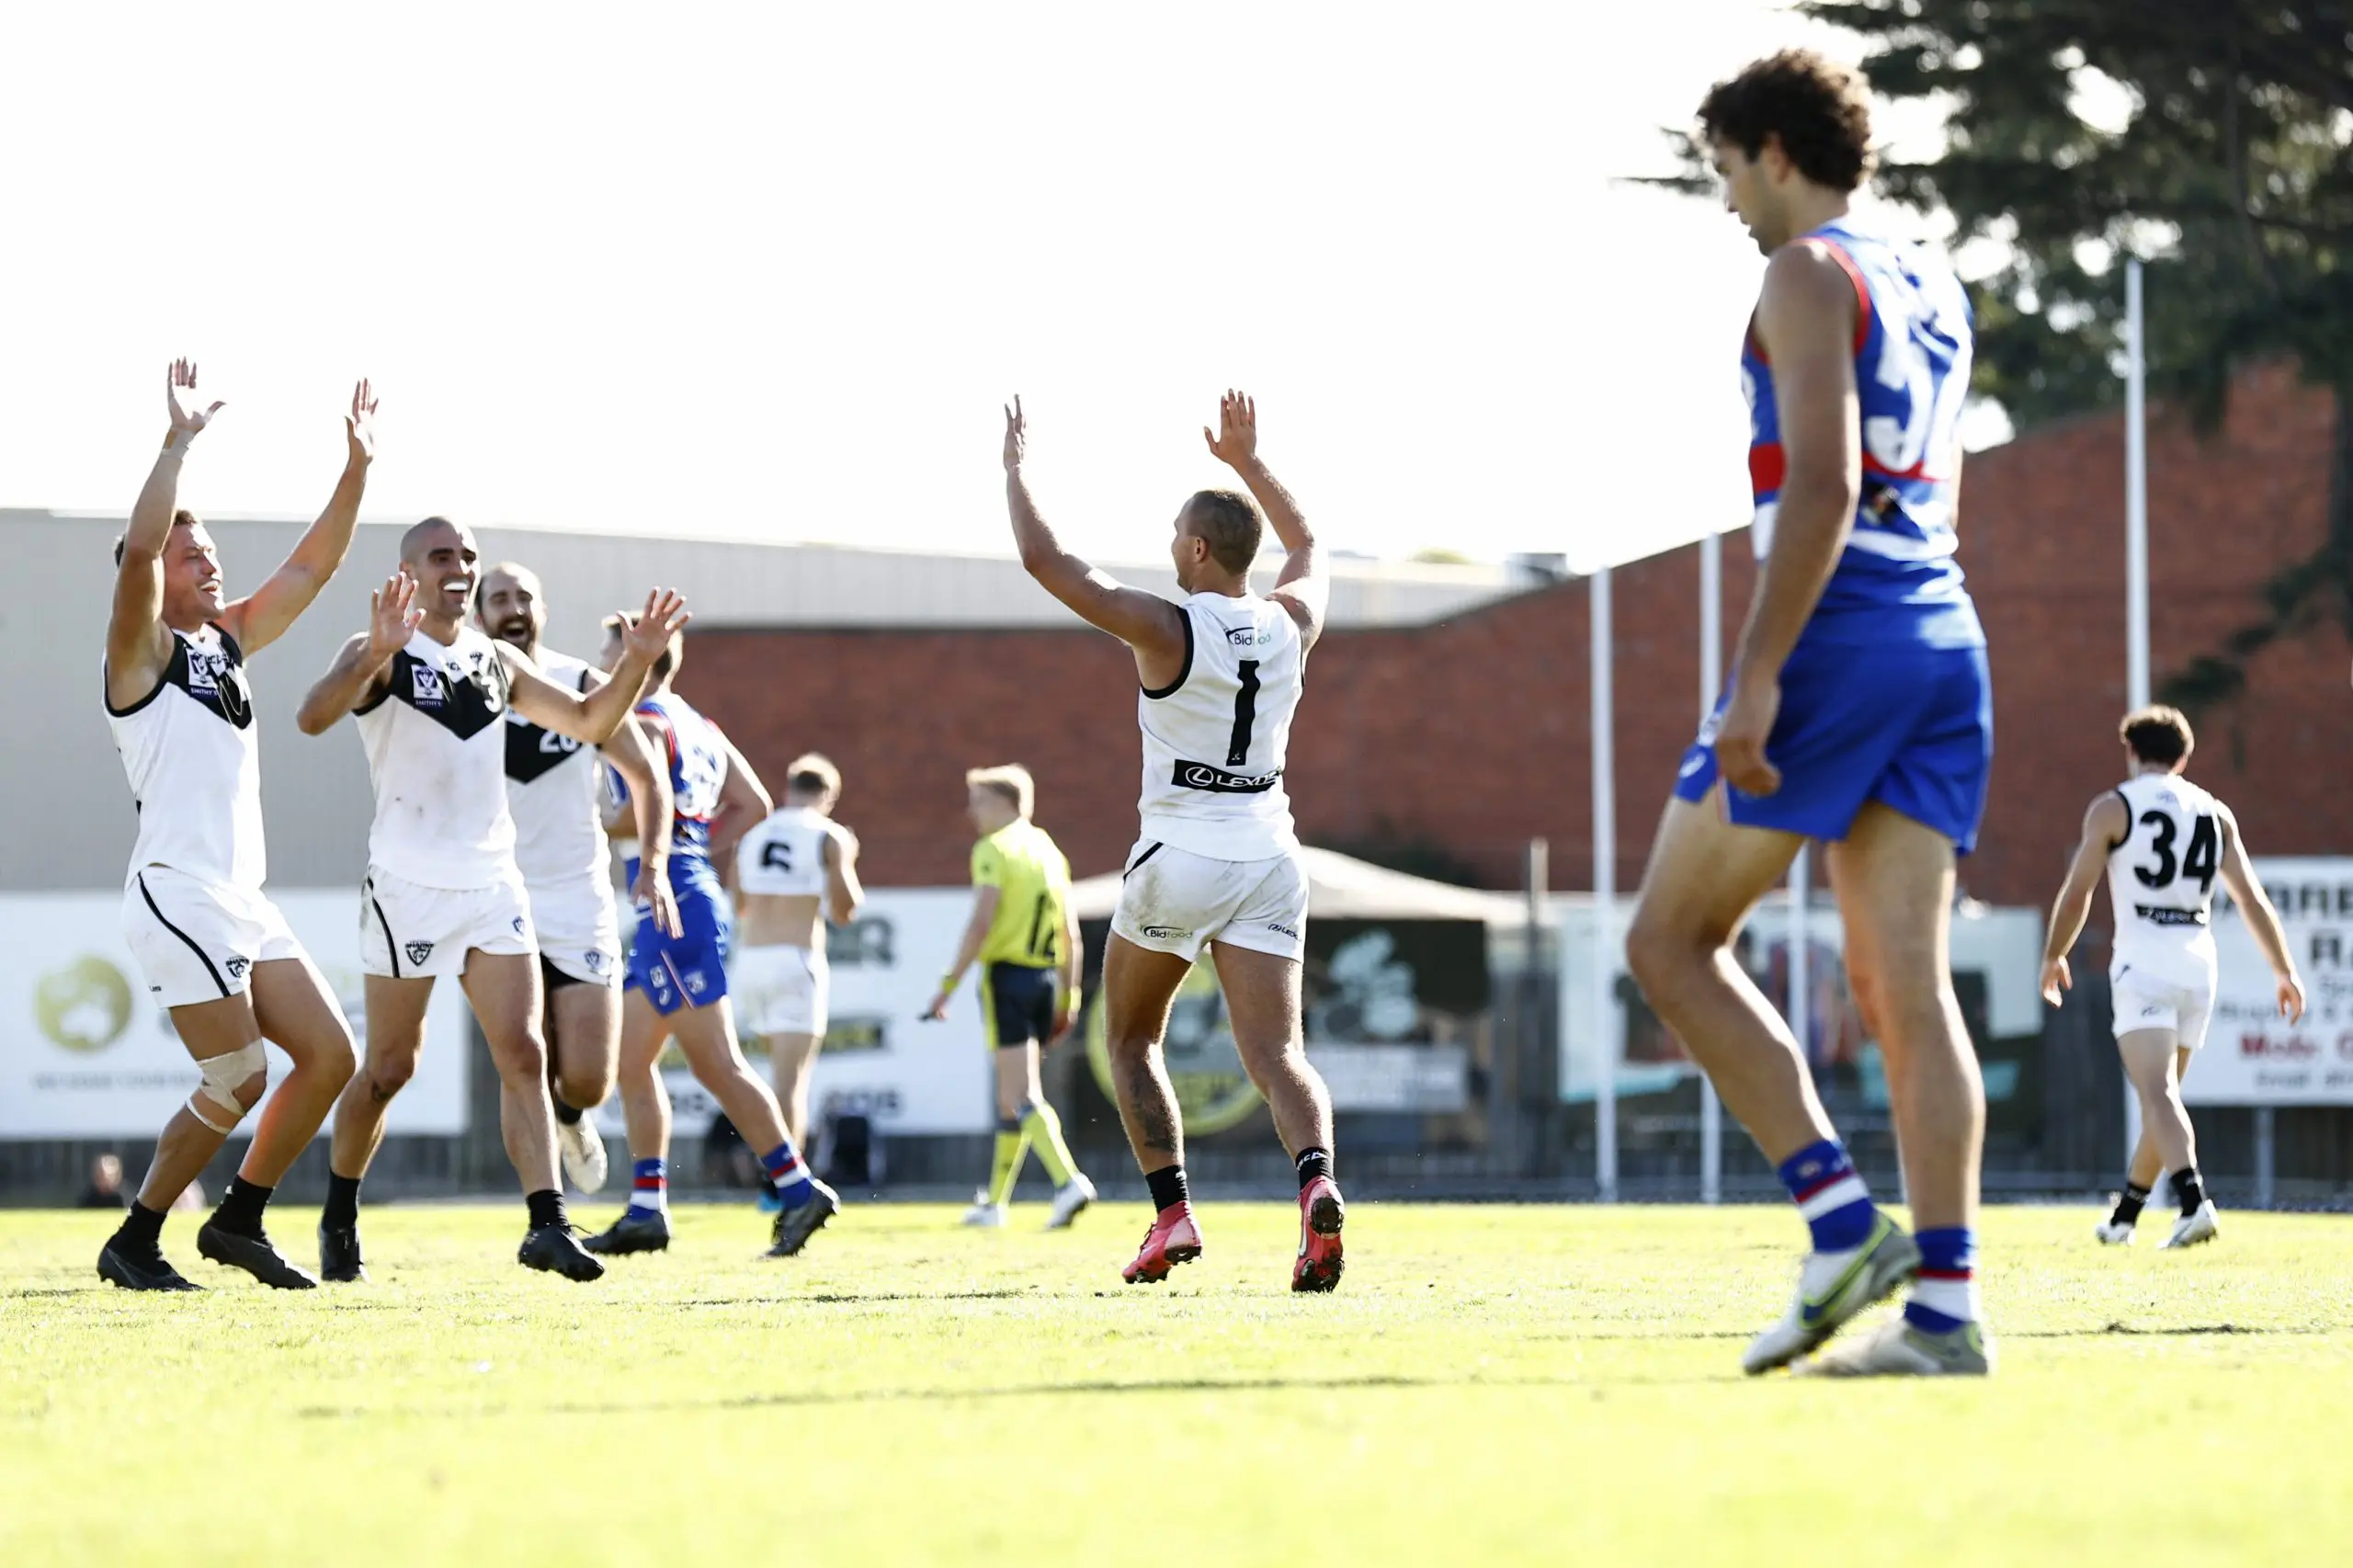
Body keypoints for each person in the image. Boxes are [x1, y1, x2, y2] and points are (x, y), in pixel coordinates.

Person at [1623, 51, 1995, 1377]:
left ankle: (1841, 1222)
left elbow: (1827, 485)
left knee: (1670, 942)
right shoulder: (1932, 277)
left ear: (1775, 150)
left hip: (1841, 635)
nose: (1726, 198)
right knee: (1904, 985)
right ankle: (1946, 1313)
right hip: (1946, 634)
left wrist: (1763, 672)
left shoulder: (1801, 273)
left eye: (1726, 167)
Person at [1003, 390, 1345, 1290]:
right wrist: (1249, 463)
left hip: (1179, 852)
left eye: (1173, 533)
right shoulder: (1289, 624)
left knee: (1130, 1039)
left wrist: (1014, 470)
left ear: (1196, 549)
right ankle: (1316, 1188)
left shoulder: (1166, 624)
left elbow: (1046, 560)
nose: (1167, 543)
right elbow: (1308, 549)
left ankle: (1172, 1213)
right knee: (1279, 1056)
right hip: (1270, 852)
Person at [295, 517, 688, 1282]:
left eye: (467, 556)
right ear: (409, 568)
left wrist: (634, 666)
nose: (459, 567)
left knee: (525, 1052)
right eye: (443, 555)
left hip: (492, 885)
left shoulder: (496, 660)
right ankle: (339, 1213)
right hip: (406, 886)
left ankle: (546, 1222)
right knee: (388, 1070)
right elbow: (312, 717)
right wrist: (373, 652)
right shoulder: (380, 647)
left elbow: (586, 721)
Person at [98, 361, 375, 1291]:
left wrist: (356, 468)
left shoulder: (227, 641)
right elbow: (138, 558)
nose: (208, 560)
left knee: (332, 1054)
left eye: (209, 548)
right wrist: (175, 446)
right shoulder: (140, 652)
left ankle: (238, 1220)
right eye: (192, 553)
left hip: (239, 897)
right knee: (242, 1077)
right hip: (177, 893)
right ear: (150, 577)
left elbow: (313, 566)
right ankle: (136, 1236)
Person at [582, 620, 842, 1258]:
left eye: (607, 652)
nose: (600, 663)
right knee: (632, 1063)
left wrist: (585, 815)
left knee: (717, 1063)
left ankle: (797, 1185)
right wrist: (694, 847)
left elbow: (641, 809)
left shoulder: (640, 721)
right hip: (683, 892)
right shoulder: (699, 725)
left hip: (673, 901)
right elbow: (750, 804)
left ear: (637, 658)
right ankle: (648, 1208)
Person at [2040, 706, 2304, 1249]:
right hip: (2198, 966)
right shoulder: (2215, 812)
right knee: (2165, 1102)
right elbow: (2251, 899)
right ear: (2184, 757)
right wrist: (2284, 969)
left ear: (2132, 753)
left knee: (2157, 1095)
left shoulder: (2114, 807)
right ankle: (2125, 1219)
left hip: (2144, 963)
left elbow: (2079, 890)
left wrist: (2054, 954)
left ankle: (2192, 1202)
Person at [475, 562, 679, 1195]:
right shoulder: (458, 686)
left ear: (542, 609)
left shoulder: (581, 683)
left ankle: (570, 1117)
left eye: (524, 596)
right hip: (493, 895)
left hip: (576, 894)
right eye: (499, 597)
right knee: (523, 1057)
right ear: (478, 612)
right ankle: (547, 1210)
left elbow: (648, 779)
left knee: (590, 1076)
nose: (512, 607)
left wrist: (652, 866)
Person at [923, 765, 1096, 1230]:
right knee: (1010, 1098)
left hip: (1008, 979)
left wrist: (946, 987)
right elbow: (1070, 934)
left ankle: (1068, 1182)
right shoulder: (1048, 849)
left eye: (977, 801)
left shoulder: (994, 849)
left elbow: (981, 923)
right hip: (1046, 982)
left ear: (1003, 803)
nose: (970, 811)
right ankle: (995, 1204)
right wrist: (1069, 997)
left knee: (1020, 1095)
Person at [733, 753, 865, 1148]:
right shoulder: (829, 835)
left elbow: (739, 904)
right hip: (795, 960)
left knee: (766, 1079)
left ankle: (772, 1170)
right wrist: (849, 857)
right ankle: (787, 1185)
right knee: (791, 1083)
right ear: (828, 795)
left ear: (788, 790)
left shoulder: (753, 834)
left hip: (751, 960)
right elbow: (846, 911)